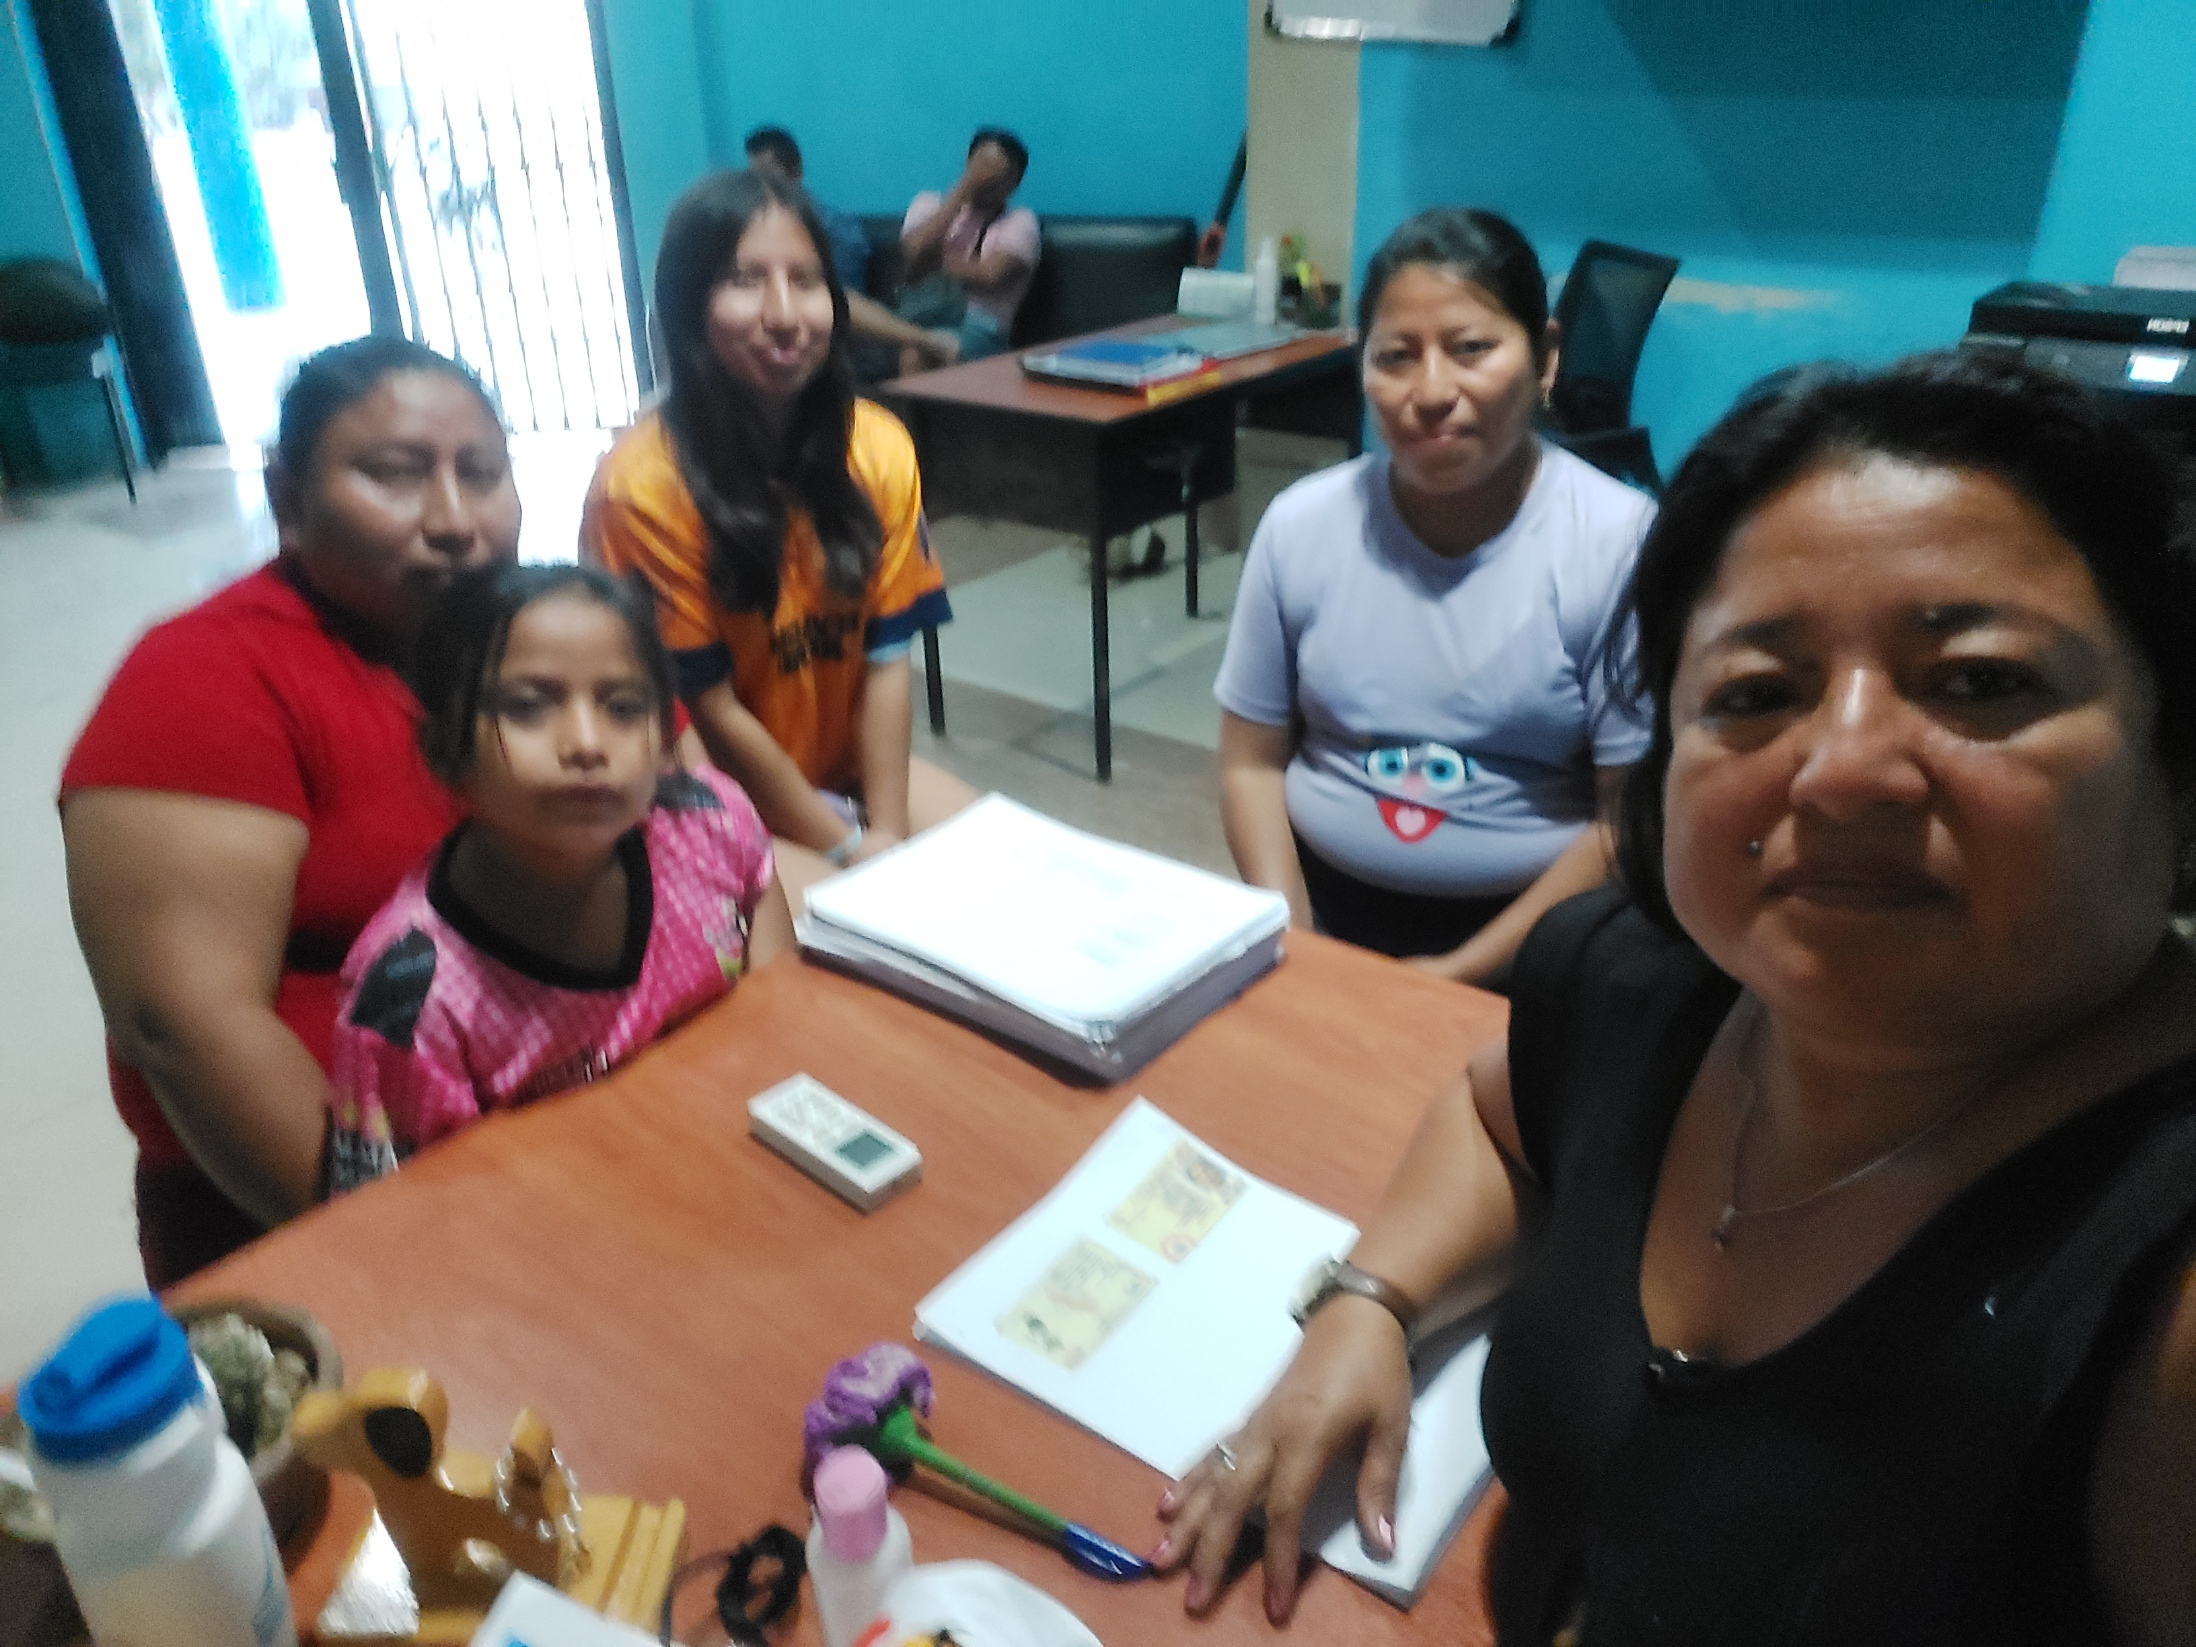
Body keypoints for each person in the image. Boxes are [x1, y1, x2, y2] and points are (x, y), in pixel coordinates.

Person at [1155, 352, 2196, 1642]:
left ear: (2176, 760)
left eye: (1980, 679)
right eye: (1757, 694)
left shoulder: (2155, 1284)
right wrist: (1367, 1301)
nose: (1842, 769)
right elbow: (1494, 1118)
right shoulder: (1642, 981)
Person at [60, 336, 521, 1285]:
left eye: (481, 474)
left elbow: (703, 828)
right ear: (287, 496)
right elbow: (185, 1025)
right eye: (394, 475)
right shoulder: (204, 677)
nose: (452, 520)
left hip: (551, 1122)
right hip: (309, 1201)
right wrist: (399, 1247)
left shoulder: (541, 636)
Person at [1214, 208, 1654, 987]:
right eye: (1395, 356)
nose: (1432, 391)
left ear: (1546, 358)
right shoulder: (1300, 527)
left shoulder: (1617, 544)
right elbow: (1251, 763)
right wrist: (1295, 941)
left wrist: (1454, 975)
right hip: (1319, 917)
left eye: (1471, 348)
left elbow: (1627, 817)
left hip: (1539, 940)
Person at [326, 564, 793, 1190]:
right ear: (444, 751)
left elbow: (778, 1016)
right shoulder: (413, 1000)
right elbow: (414, 1215)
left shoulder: (710, 821)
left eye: (623, 707)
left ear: (664, 737)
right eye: (527, 707)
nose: (586, 743)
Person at [583, 167, 969, 901]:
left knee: (999, 875)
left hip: (842, 773)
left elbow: (887, 660)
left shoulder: (878, 447)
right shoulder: (641, 490)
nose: (785, 314)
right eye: (744, 280)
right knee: (844, 941)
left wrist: (885, 832)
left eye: (806, 280)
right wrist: (846, 846)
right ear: (687, 305)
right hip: (714, 797)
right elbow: (708, 710)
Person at [741, 124, 960, 375]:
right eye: (753, 179)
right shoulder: (757, 229)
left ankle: (925, 340)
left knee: (826, 294)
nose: (762, 188)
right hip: (782, 319)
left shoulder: (833, 227)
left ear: (795, 173)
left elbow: (836, 297)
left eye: (769, 176)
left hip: (840, 326)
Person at [895, 127, 1039, 371]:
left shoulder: (1020, 221)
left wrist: (932, 262)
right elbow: (914, 253)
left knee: (919, 349)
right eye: (981, 166)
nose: (986, 178)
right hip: (917, 313)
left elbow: (988, 275)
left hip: (980, 329)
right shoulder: (928, 203)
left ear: (1015, 181)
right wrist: (964, 187)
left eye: (997, 173)